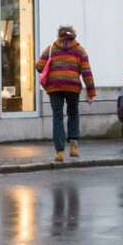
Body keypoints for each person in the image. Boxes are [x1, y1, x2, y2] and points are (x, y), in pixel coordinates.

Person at [36, 25, 96, 163]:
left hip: (54, 87)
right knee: (73, 113)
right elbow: (87, 72)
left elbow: (39, 67)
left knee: (57, 117)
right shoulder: (79, 50)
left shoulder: (51, 48)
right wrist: (91, 92)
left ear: (59, 35)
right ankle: (73, 145)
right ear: (73, 35)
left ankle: (59, 152)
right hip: (72, 87)